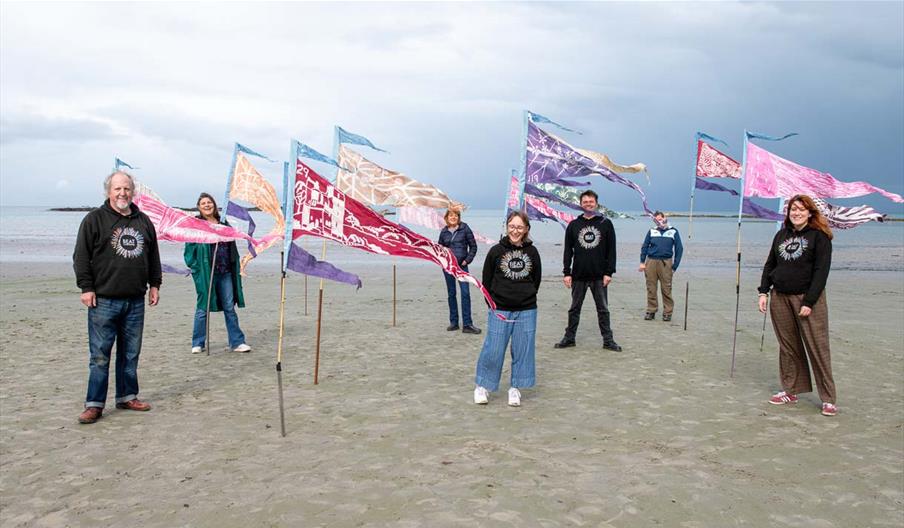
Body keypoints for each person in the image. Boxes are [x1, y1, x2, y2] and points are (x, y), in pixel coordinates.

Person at [73, 171, 162, 424]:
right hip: (103, 300)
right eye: (117, 189)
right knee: (100, 355)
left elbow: (153, 255)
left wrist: (155, 284)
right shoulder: (94, 220)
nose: (122, 193)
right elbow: (80, 256)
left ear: (133, 192)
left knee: (130, 353)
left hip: (135, 300)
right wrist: (86, 288)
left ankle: (127, 396)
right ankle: (94, 404)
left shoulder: (143, 221)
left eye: (127, 189)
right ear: (108, 192)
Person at [758, 194, 837, 417]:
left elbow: (821, 272)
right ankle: (790, 390)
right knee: (788, 346)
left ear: (810, 212)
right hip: (780, 297)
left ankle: (828, 399)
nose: (797, 213)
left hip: (807, 299)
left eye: (801, 209)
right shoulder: (781, 235)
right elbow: (769, 265)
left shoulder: (819, 237)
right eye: (793, 209)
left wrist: (809, 301)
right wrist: (763, 292)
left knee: (817, 347)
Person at [473, 211, 542, 406]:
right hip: (500, 309)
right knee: (493, 348)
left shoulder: (532, 252)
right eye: (512, 226)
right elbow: (486, 279)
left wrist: (526, 296)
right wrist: (493, 303)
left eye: (520, 227)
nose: (515, 231)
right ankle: (482, 386)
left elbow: (536, 279)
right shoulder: (496, 251)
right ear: (507, 227)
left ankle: (515, 388)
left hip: (526, 309)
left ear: (526, 229)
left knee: (523, 349)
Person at [554, 190, 622, 351]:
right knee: (574, 309)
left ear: (596, 203)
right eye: (585, 202)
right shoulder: (574, 225)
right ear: (581, 204)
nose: (588, 204)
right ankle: (569, 338)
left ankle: (608, 340)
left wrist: (609, 272)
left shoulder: (605, 223)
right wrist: (566, 272)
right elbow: (568, 251)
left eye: (591, 201)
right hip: (578, 275)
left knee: (603, 309)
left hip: (599, 276)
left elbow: (611, 250)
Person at [183, 193, 251, 354]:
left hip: (225, 271)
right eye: (203, 203)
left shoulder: (223, 222)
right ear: (199, 207)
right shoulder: (196, 225)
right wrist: (195, 267)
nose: (207, 205)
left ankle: (237, 342)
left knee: (229, 306)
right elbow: (189, 250)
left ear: (214, 205)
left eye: (209, 202)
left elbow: (231, 244)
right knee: (203, 306)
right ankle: (198, 342)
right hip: (205, 272)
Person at [437, 208, 481, 334]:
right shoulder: (444, 232)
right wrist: (443, 262)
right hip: (448, 267)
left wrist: (467, 260)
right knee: (451, 294)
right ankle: (454, 322)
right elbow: (440, 249)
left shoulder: (465, 228)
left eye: (456, 215)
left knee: (465, 293)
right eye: (451, 215)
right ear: (446, 217)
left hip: (462, 266)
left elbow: (473, 247)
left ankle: (467, 324)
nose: (453, 217)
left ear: (458, 217)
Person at [639, 211, 683, 322]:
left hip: (666, 263)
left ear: (664, 218)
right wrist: (642, 262)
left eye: (660, 219)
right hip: (651, 262)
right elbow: (644, 247)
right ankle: (651, 310)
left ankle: (667, 312)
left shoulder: (673, 231)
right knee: (651, 288)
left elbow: (679, 249)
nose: (659, 221)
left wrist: (674, 266)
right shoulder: (652, 231)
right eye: (656, 219)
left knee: (666, 289)